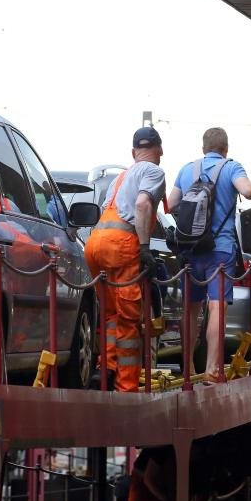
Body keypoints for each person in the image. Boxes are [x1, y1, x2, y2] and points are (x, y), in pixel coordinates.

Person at [167, 127, 251, 383]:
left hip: (190, 250)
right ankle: (212, 369)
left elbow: (172, 204)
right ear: (226, 149)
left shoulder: (187, 169)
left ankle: (188, 368)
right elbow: (246, 191)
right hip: (219, 250)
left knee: (190, 310)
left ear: (203, 148)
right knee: (216, 308)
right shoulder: (232, 168)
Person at [85, 126, 165, 392]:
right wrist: (144, 247)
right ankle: (126, 389)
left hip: (95, 245)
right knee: (129, 321)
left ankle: (106, 371)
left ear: (134, 152)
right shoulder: (153, 171)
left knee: (109, 314)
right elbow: (143, 205)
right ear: (160, 150)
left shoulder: (120, 177)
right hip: (121, 247)